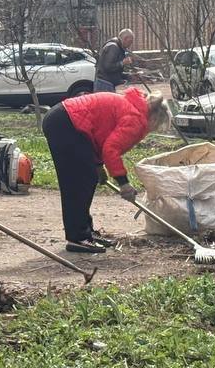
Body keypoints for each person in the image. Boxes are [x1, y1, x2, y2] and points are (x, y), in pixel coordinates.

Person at [43, 87, 169, 254]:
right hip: (67, 122)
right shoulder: (136, 119)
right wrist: (123, 183)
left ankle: (85, 232)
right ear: (155, 118)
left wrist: (98, 166)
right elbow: (111, 149)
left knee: (87, 179)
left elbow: (100, 135)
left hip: (65, 120)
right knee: (78, 182)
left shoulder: (134, 107)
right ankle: (78, 238)